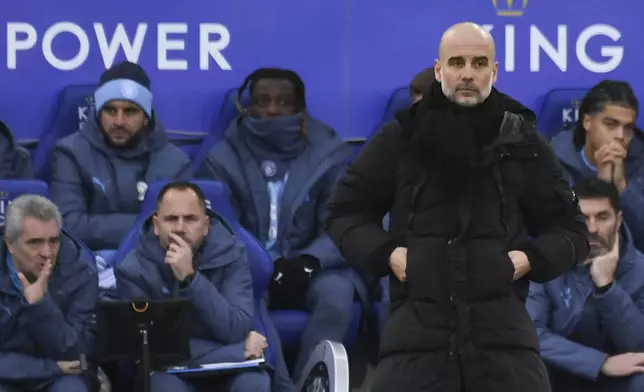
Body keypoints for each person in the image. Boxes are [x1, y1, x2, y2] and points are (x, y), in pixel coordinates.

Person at [324, 22, 589, 391]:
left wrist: (526, 260)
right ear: (439, 70)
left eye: (480, 63)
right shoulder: (401, 135)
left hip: (504, 338)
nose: (467, 73)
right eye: (457, 62)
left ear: (493, 72)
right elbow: (343, 211)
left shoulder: (522, 139)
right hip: (415, 336)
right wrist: (389, 254)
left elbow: (571, 229)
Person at [197, 68, 366, 382]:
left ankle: (312, 383)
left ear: (300, 109)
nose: (273, 110)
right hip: (247, 267)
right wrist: (260, 263)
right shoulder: (221, 157)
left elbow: (344, 219)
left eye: (283, 102)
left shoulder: (330, 153)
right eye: (262, 102)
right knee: (244, 296)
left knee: (338, 293)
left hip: (315, 266)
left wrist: (309, 261)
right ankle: (280, 386)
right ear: (247, 108)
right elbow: (219, 224)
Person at [115, 181, 270, 392]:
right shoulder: (132, 270)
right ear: (156, 225)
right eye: (171, 219)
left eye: (190, 219)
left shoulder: (232, 255)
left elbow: (236, 329)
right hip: (171, 373)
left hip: (230, 370)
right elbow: (153, 351)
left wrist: (190, 278)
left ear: (206, 226)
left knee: (254, 383)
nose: (180, 228)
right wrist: (234, 352)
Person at [49, 61, 192, 252]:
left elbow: (184, 229)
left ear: (146, 116)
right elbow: (69, 227)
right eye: (110, 110)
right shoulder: (70, 153)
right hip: (85, 266)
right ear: (98, 113)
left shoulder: (176, 163)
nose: (119, 121)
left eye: (130, 111)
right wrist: (152, 224)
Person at [527, 178, 644, 392]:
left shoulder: (640, 270)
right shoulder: (546, 263)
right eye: (581, 218)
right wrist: (600, 363)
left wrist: (607, 287)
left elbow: (638, 348)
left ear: (618, 221)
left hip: (620, 381)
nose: (591, 228)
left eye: (602, 218)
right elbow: (531, 332)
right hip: (558, 375)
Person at [0, 195, 99, 392]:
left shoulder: (80, 272)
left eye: (53, 241)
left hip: (62, 379)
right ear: (10, 244)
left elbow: (77, 354)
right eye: (34, 242)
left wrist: (40, 305)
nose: (47, 252)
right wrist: (50, 367)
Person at [550, 81, 644, 251]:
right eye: (611, 124)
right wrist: (601, 187)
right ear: (587, 122)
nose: (620, 136)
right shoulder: (553, 161)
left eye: (628, 128)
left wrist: (622, 188)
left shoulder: (641, 165)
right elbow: (550, 231)